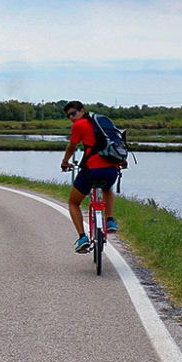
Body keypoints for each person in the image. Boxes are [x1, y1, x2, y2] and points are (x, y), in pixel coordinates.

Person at [60, 100, 121, 253]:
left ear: (82, 111)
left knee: (73, 203)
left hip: (91, 170)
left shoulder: (79, 125)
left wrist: (65, 162)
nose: (72, 118)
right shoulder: (102, 122)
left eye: (74, 113)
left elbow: (72, 147)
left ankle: (82, 238)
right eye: (69, 116)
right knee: (107, 188)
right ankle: (110, 220)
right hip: (111, 170)